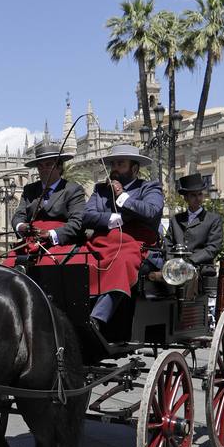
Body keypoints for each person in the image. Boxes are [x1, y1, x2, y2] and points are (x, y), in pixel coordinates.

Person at [79, 143, 163, 335]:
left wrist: (122, 196)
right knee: (76, 259)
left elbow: (151, 211)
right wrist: (111, 219)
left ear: (134, 169)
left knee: (120, 262)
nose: (115, 169)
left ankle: (97, 319)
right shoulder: (100, 191)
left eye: (121, 164)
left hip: (137, 247)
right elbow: (86, 216)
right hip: (101, 244)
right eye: (113, 164)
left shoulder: (150, 188)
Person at [6, 143, 86, 266]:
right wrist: (21, 226)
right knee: (7, 267)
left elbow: (77, 222)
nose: (43, 169)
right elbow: (18, 216)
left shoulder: (73, 189)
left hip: (59, 244)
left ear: (59, 167)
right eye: (40, 166)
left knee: (45, 269)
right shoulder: (30, 190)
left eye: (49, 165)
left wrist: (50, 234)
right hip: (29, 243)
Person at [157, 175, 224, 285]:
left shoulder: (213, 219)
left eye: (200, 194)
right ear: (186, 198)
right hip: (175, 270)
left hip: (201, 269)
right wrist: (172, 262)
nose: (198, 198)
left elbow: (213, 247)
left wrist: (190, 260)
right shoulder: (176, 219)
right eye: (193, 195)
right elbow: (168, 243)